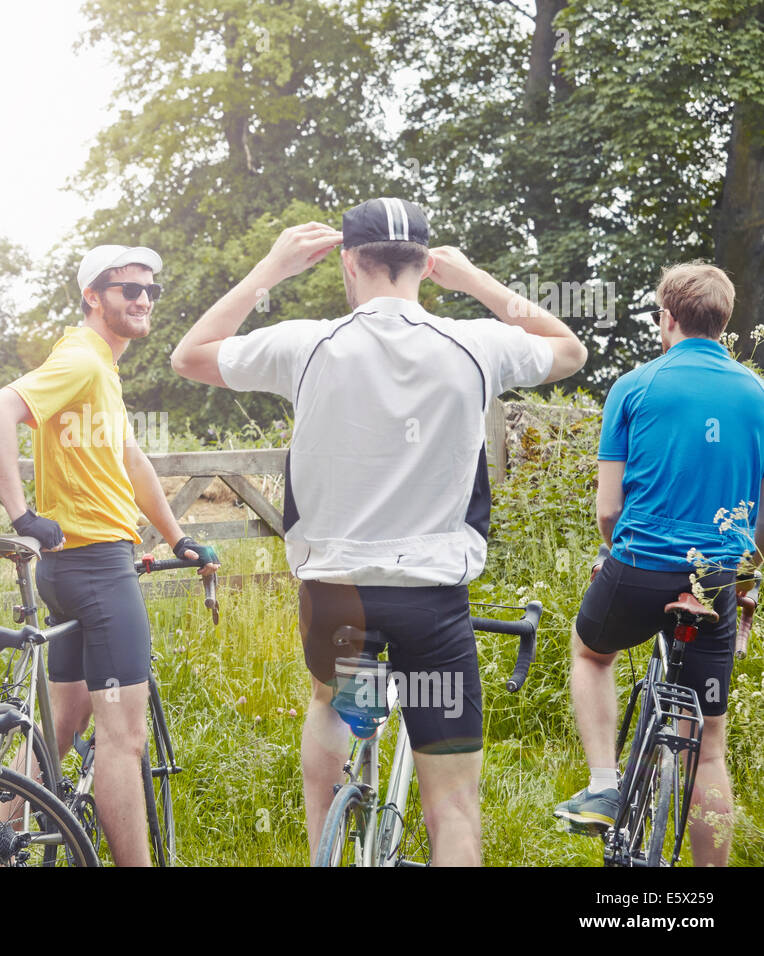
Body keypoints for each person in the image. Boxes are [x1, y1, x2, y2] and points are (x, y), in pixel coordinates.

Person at [171, 199, 587, 865]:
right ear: (425, 265)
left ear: (348, 263)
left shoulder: (306, 345)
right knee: (453, 808)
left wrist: (268, 272)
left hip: (338, 597)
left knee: (331, 709)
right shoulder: (477, 345)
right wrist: (477, 282)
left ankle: (326, 847)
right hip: (432, 604)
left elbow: (189, 356)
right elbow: (570, 349)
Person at [0, 244, 218, 867]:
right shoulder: (83, 358)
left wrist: (176, 534)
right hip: (98, 572)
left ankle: (8, 848)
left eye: (149, 290)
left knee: (62, 724)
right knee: (122, 739)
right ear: (92, 296)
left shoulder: (98, 369)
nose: (141, 299)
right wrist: (20, 514)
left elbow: (131, 460)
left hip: (69, 571)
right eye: (125, 288)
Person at [554, 262, 764, 866]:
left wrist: (612, 551)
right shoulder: (754, 393)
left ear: (666, 318)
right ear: (725, 322)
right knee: (710, 749)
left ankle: (602, 784)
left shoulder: (635, 385)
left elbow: (607, 510)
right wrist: (747, 582)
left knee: (592, 653)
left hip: (641, 564)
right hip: (720, 577)